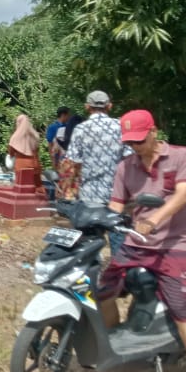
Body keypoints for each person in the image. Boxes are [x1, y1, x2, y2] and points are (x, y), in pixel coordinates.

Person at [97, 110, 186, 372]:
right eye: (129, 142)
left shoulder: (182, 156)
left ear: (153, 132)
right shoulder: (125, 166)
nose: (135, 146)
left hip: (175, 245)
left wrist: (154, 219)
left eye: (139, 140)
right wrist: (98, 219)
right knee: (103, 291)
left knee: (181, 310)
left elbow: (182, 195)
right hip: (138, 244)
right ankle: (118, 352)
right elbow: (116, 203)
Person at [67, 90, 128, 253]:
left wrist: (71, 189)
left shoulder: (80, 129)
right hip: (117, 196)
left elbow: (74, 163)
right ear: (109, 106)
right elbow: (130, 159)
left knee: (88, 245)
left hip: (89, 196)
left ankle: (89, 275)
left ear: (87, 107)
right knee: (118, 242)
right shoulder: (121, 127)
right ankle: (118, 275)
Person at [7, 114, 44, 192]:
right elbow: (37, 150)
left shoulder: (15, 136)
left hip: (21, 164)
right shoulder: (35, 135)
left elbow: (11, 152)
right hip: (35, 163)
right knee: (37, 186)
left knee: (22, 187)